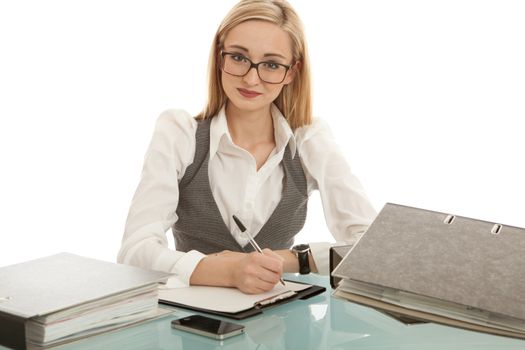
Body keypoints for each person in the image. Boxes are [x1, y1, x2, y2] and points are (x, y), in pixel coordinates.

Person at [117, 0, 376, 294]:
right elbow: (134, 252)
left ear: (291, 72)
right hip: (191, 324)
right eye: (239, 58)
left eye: (271, 64)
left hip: (281, 323)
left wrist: (293, 259)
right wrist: (227, 271)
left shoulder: (308, 139)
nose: (251, 78)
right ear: (219, 57)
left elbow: (371, 250)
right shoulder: (180, 133)